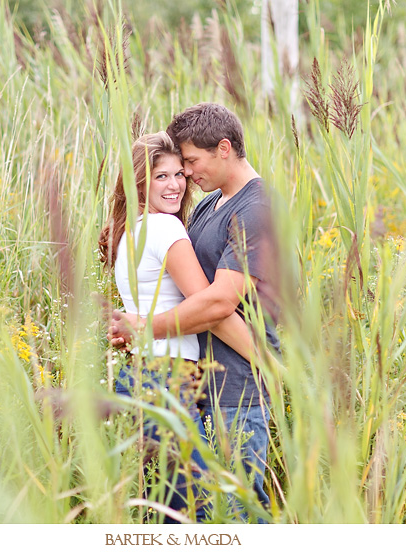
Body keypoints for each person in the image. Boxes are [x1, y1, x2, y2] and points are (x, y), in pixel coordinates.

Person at [109, 103, 281, 523]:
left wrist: (145, 328)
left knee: (232, 508)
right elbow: (179, 289)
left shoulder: (255, 209)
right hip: (192, 379)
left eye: (189, 162)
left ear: (224, 149)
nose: (184, 175)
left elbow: (219, 302)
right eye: (170, 170)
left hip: (237, 384)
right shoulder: (207, 206)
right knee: (189, 510)